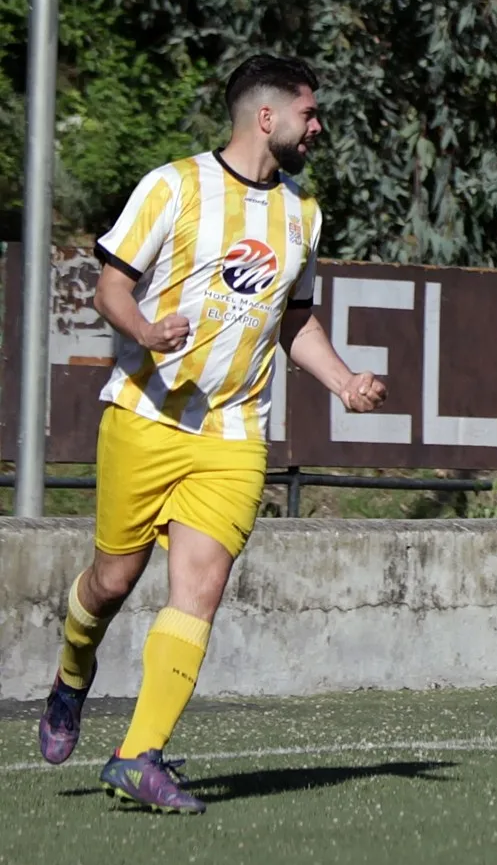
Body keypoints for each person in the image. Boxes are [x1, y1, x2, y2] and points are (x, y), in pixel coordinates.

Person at [36, 54, 389, 812]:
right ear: (268, 118)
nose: (317, 126)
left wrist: (345, 381)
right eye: (309, 113)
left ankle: (137, 755)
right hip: (144, 414)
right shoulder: (173, 185)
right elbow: (110, 284)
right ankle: (72, 670)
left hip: (235, 433)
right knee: (111, 583)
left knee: (201, 587)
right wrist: (147, 330)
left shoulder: (305, 213)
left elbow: (296, 320)